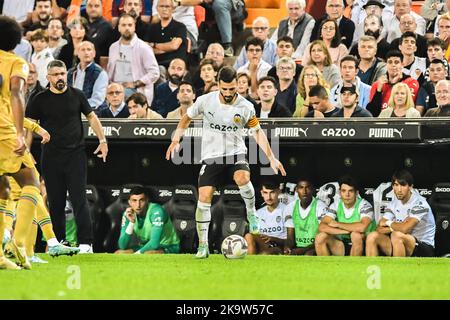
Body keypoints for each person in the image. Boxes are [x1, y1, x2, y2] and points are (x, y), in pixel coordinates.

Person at [166, 66, 286, 259]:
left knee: (243, 176)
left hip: (235, 154)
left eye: (233, 89)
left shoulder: (246, 106)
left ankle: (251, 212)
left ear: (237, 85)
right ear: (219, 85)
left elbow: (257, 132)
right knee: (204, 197)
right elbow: (186, 118)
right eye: (225, 89)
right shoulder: (205, 101)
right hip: (211, 156)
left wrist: (271, 157)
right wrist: (175, 139)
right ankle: (203, 246)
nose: (229, 93)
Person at [26, 59, 109, 254]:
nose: (60, 78)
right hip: (51, 156)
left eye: (62, 74)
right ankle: (59, 242)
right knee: (55, 201)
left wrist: (103, 140)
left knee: (80, 198)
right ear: (48, 77)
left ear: (66, 75)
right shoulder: (39, 98)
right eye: (55, 75)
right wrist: (27, 150)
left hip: (75, 155)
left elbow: (91, 117)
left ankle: (86, 243)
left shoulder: (77, 95)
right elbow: (28, 126)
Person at [366, 169, 436, 257]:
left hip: (424, 247)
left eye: (403, 185)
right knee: (372, 236)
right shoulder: (393, 204)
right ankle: (372, 269)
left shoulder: (420, 203)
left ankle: (398, 270)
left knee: (397, 235)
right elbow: (379, 228)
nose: (399, 189)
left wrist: (389, 223)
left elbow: (405, 229)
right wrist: (398, 226)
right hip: (399, 242)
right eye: (396, 185)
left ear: (410, 187)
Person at [315, 175, 375, 256]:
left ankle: (354, 267)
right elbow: (322, 227)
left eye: (350, 191)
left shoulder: (364, 205)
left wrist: (338, 224)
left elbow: (362, 227)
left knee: (356, 235)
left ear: (356, 193)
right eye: (344, 191)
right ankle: (327, 268)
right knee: (320, 237)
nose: (347, 194)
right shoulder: (336, 205)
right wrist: (345, 231)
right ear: (340, 193)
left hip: (364, 246)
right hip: (343, 245)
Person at [107, 13, 160, 103]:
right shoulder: (113, 47)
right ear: (119, 28)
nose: (127, 28)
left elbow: (154, 73)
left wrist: (135, 84)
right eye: (123, 25)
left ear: (134, 27)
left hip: (135, 91)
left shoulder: (143, 47)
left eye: (130, 25)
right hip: (115, 88)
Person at [116, 186, 180, 254]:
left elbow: (154, 244)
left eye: (141, 200)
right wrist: (131, 223)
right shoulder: (128, 214)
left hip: (168, 247)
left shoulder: (157, 211)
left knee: (148, 253)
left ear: (147, 200)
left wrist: (136, 255)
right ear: (129, 202)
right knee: (120, 252)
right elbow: (122, 245)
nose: (138, 205)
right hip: (145, 246)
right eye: (134, 200)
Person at [366, 50, 419, 116]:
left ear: (402, 65)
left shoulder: (411, 82)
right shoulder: (377, 84)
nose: (393, 65)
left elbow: (405, 104)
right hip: (381, 121)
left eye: (396, 62)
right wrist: (378, 91)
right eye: (390, 62)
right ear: (386, 65)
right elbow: (372, 113)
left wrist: (395, 83)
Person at [284, 177, 327, 255]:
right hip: (298, 248)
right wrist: (287, 247)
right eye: (301, 188)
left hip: (315, 247)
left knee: (308, 254)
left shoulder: (321, 207)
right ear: (296, 190)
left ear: (313, 189)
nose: (304, 191)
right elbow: (290, 238)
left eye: (307, 188)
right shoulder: (290, 207)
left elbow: (322, 238)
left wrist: (303, 250)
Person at [244, 182, 287, 255]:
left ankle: (253, 261)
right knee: (248, 236)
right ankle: (249, 262)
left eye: (272, 192)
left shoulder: (287, 210)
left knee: (265, 253)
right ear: (261, 193)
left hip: (279, 246)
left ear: (279, 192)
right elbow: (255, 235)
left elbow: (291, 240)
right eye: (265, 193)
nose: (269, 197)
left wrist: (272, 238)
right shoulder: (257, 213)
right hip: (264, 245)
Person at [146, 0, 188, 69]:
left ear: (173, 8)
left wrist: (154, 45)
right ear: (157, 8)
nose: (164, 9)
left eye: (167, 6)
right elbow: (147, 49)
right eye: (161, 6)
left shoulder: (180, 27)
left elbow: (174, 46)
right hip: (155, 65)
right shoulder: (152, 28)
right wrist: (167, 48)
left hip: (174, 66)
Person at [67, 41, 108, 110]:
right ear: (78, 53)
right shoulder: (70, 73)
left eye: (89, 49)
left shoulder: (100, 73)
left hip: (93, 112)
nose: (86, 53)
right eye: (83, 50)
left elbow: (97, 100)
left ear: (94, 53)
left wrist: (77, 106)